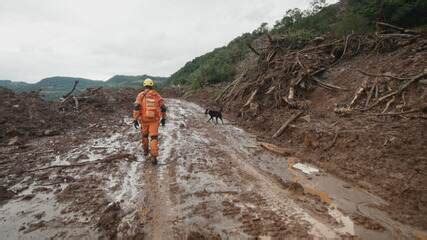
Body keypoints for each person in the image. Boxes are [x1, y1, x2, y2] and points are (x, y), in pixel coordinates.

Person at [132, 78, 167, 164]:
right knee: (154, 137)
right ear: (152, 85)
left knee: (144, 135)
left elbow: (136, 107)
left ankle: (145, 151)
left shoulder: (141, 95)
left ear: (144, 85)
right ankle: (154, 156)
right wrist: (163, 118)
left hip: (144, 120)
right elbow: (163, 108)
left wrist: (135, 119)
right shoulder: (157, 95)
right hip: (154, 120)